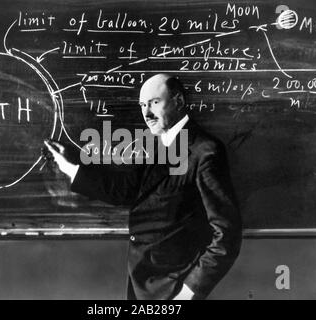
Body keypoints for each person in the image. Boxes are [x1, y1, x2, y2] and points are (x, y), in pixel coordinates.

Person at [44, 73, 242, 300]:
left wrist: (189, 292)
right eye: (142, 105)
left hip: (173, 289)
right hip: (143, 285)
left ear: (178, 101)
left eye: (155, 103)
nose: (146, 113)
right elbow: (127, 191)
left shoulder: (205, 151)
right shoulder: (155, 144)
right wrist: (71, 168)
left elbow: (227, 234)